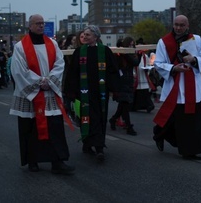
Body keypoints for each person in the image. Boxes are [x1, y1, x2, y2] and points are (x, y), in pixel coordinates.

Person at [9, 14, 74, 174]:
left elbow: (60, 64)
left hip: (49, 92)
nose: (40, 26)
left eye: (42, 23)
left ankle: (57, 161)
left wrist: (49, 81)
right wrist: (39, 82)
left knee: (55, 128)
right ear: (29, 26)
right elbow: (18, 70)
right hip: (31, 95)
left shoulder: (52, 44)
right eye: (37, 23)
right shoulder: (20, 47)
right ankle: (33, 161)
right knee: (30, 129)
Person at [152, 15, 201, 160]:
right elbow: (158, 63)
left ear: (187, 25)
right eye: (176, 24)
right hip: (175, 86)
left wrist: (194, 59)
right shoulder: (164, 42)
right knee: (174, 119)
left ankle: (190, 151)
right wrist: (173, 68)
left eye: (182, 25)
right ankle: (159, 133)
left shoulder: (196, 40)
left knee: (192, 122)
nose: (178, 28)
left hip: (192, 87)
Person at [64, 25, 119, 161]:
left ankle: (99, 147)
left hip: (100, 92)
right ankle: (87, 143)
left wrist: (115, 89)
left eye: (88, 35)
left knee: (99, 117)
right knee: (86, 117)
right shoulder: (79, 52)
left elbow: (112, 70)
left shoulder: (104, 51)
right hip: (84, 92)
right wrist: (71, 91)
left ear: (96, 36)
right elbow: (73, 72)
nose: (85, 37)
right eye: (84, 34)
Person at [109, 37, 139, 136]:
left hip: (128, 81)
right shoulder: (122, 54)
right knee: (125, 105)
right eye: (130, 45)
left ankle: (113, 119)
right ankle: (129, 126)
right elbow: (134, 62)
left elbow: (135, 62)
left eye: (132, 45)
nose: (131, 46)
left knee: (123, 105)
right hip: (122, 82)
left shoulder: (128, 54)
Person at [131, 48, 155, 113]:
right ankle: (135, 106)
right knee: (137, 93)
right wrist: (134, 74)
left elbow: (148, 64)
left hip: (143, 76)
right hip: (137, 76)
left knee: (145, 92)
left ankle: (149, 106)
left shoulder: (145, 56)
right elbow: (132, 66)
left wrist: (148, 69)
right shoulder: (133, 56)